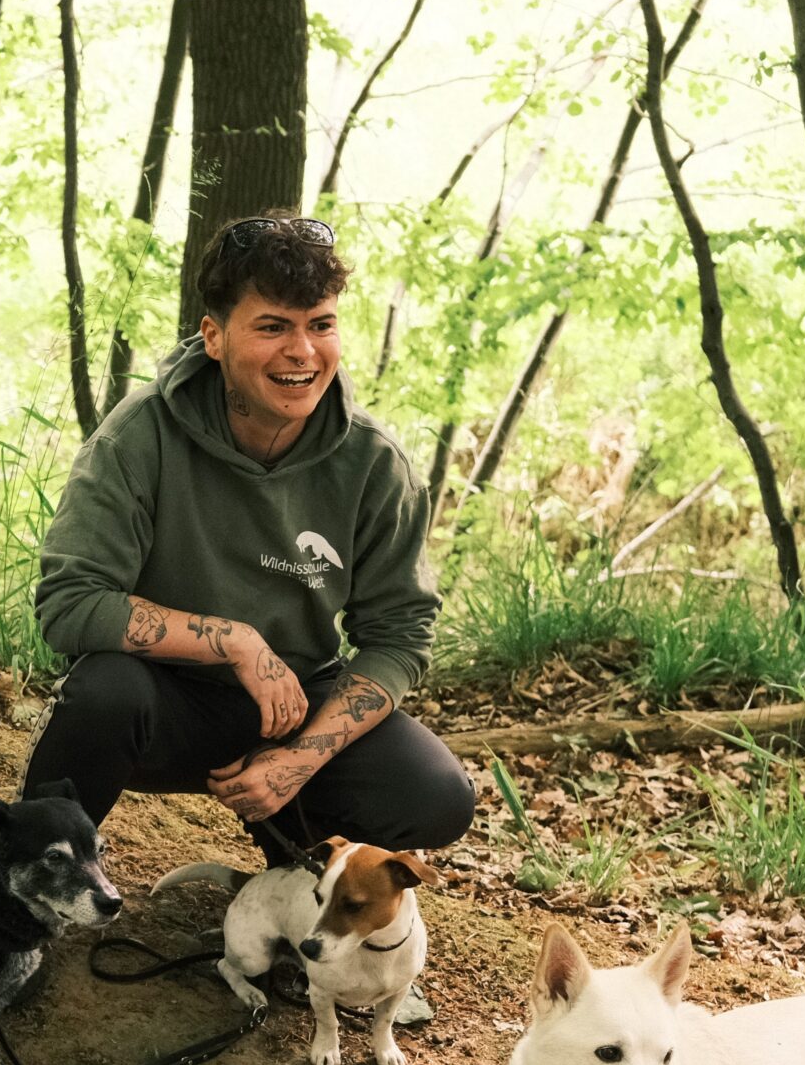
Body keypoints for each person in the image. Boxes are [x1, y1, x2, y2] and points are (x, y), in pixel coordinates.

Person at [27, 211, 476, 869]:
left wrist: (301, 757)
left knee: (436, 794)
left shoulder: (377, 465)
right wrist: (235, 641)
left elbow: (400, 635)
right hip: (159, 701)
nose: (303, 352)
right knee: (104, 692)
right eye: (272, 327)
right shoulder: (138, 437)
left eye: (321, 325)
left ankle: (293, 869)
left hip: (295, 707)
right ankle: (29, 879)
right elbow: (70, 604)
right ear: (213, 336)